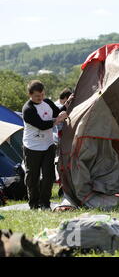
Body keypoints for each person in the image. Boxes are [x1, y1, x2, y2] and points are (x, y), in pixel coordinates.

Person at [22, 80, 69, 210]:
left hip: (48, 145)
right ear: (30, 95)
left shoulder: (47, 102)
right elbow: (42, 125)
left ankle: (45, 203)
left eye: (42, 94)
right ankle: (33, 204)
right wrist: (58, 119)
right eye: (37, 96)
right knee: (33, 177)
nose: (40, 98)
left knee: (49, 176)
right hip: (32, 147)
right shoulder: (28, 109)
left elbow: (57, 112)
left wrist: (68, 103)